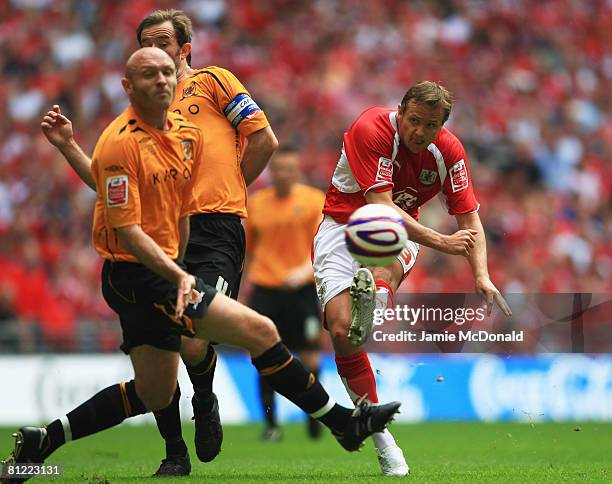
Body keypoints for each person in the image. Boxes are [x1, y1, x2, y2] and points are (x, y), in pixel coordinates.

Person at [1, 48, 400, 484]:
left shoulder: (182, 135)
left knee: (153, 391)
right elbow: (125, 224)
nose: (162, 80)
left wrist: (183, 254)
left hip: (167, 267)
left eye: (168, 72)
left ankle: (44, 442)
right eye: (149, 73)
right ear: (127, 87)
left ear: (179, 76)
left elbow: (185, 208)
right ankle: (343, 424)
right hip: (136, 274)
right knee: (260, 332)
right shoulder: (120, 141)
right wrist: (178, 273)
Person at [40, 9, 278, 476]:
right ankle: (175, 452)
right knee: (163, 356)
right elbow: (108, 183)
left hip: (215, 229)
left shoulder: (215, 82)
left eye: (165, 42)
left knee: (192, 340)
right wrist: (69, 144)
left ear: (184, 48)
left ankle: (204, 400)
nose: (157, 49)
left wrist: (229, 193)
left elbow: (264, 140)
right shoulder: (140, 117)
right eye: (147, 43)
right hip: (160, 237)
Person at [313, 80, 513, 477]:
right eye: (415, 121)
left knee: (382, 246)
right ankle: (383, 439)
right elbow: (381, 207)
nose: (419, 132)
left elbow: (470, 221)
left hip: (398, 232)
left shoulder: (450, 152)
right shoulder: (372, 128)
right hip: (341, 225)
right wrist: (441, 240)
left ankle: (378, 299)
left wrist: (481, 273)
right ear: (400, 112)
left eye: (431, 125)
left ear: (443, 126)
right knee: (339, 332)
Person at [245, 147, 325, 441]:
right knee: (264, 358)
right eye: (279, 169)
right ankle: (272, 425)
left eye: (290, 169)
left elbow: (321, 247)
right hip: (266, 291)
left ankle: (315, 418)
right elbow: (248, 251)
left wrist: (304, 272)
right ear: (271, 171)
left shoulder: (313, 201)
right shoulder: (256, 204)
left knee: (310, 359)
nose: (284, 174)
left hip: (302, 290)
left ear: (297, 170)